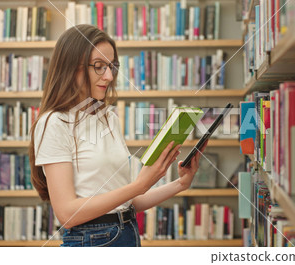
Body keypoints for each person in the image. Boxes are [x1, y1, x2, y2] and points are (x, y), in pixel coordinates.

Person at [29, 24, 207, 247]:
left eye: (112, 66)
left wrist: (180, 184)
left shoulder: (108, 118)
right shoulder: (54, 122)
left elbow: (126, 202)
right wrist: (139, 185)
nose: (109, 76)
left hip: (128, 232)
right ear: (72, 68)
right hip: (91, 241)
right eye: (99, 66)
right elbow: (66, 213)